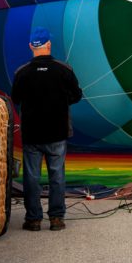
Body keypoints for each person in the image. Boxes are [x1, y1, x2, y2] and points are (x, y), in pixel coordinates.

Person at [10, 27, 83, 231]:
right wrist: (61, 100)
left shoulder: (22, 72)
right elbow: (77, 95)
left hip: (32, 134)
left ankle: (33, 219)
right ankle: (56, 219)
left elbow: (15, 99)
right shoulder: (64, 69)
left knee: (32, 177)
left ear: (30, 46)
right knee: (57, 176)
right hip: (57, 133)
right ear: (49, 45)